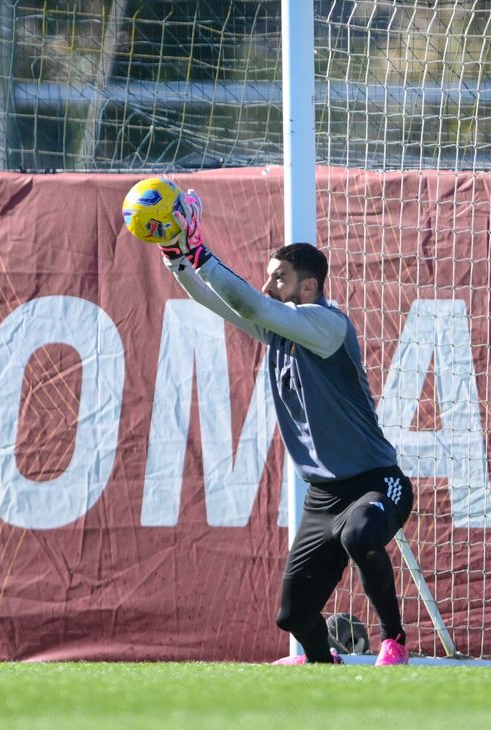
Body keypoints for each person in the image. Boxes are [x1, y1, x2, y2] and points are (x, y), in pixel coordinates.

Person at [150, 188, 414, 666]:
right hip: (323, 496)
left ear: (308, 287)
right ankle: (321, 663)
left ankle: (393, 639)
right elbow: (218, 304)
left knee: (360, 535)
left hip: (376, 483)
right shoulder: (278, 330)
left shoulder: (328, 324)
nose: (268, 286)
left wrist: (200, 251)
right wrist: (176, 255)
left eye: (279, 278)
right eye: (269, 276)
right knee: (293, 617)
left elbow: (253, 306)